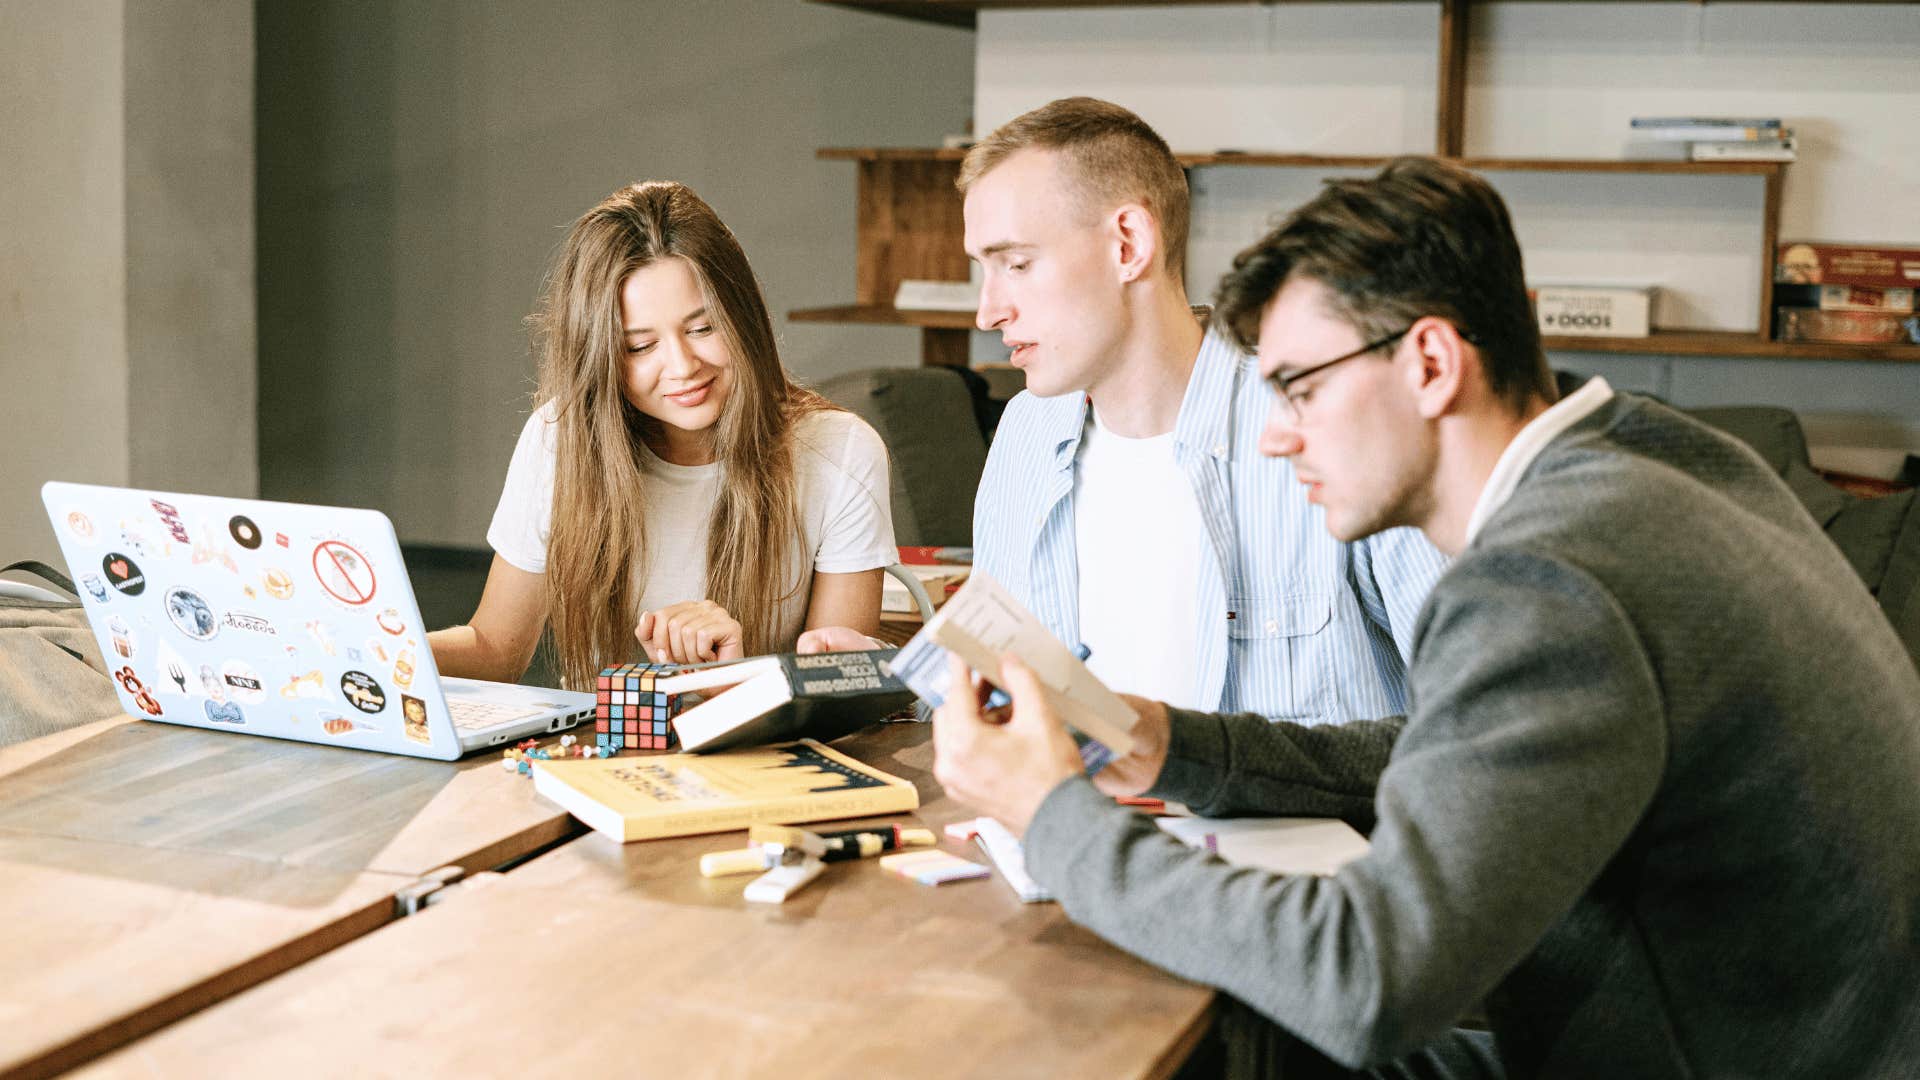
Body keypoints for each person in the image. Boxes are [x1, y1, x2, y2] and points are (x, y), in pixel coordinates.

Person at [932, 156, 1920, 1078]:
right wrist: (1175, 743)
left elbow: (1367, 981)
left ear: (1432, 363)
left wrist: (1055, 820)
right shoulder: (1653, 455)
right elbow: (1457, 752)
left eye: (1303, 389)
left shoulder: (1550, 578)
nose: (1277, 438)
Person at [960, 98, 1446, 720]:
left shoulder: (1334, 425)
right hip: (1074, 815)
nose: (988, 311)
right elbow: (997, 696)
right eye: (983, 271)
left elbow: (1474, 728)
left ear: (1128, 245)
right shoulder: (1027, 429)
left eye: (1018, 265)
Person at [428, 181, 895, 690]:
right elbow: (497, 651)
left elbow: (837, 688)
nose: (682, 366)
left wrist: (726, 680)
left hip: (765, 763)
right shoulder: (558, 439)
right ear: (601, 358)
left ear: (744, 317)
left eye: (702, 328)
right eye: (639, 346)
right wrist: (376, 651)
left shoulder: (841, 451)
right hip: (598, 760)